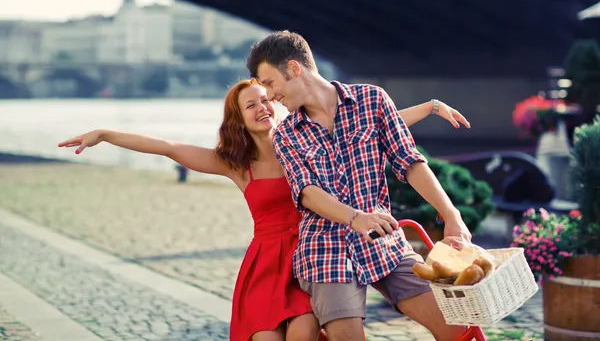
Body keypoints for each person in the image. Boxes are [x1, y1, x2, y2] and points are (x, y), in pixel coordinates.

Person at [57, 79, 469, 341]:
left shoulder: (304, 141)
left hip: (317, 254)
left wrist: (430, 107)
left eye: (264, 99)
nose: (261, 108)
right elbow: (168, 148)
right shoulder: (236, 164)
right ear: (237, 118)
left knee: (306, 332)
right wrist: (106, 134)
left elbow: (379, 121)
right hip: (270, 265)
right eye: (249, 105)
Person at [247, 30, 472, 341]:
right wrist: (356, 218)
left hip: (384, 243)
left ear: (295, 69)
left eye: (270, 84)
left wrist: (451, 215)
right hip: (325, 252)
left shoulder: (373, 100)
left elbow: (410, 161)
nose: (270, 97)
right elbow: (307, 192)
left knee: (457, 329)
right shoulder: (286, 135)